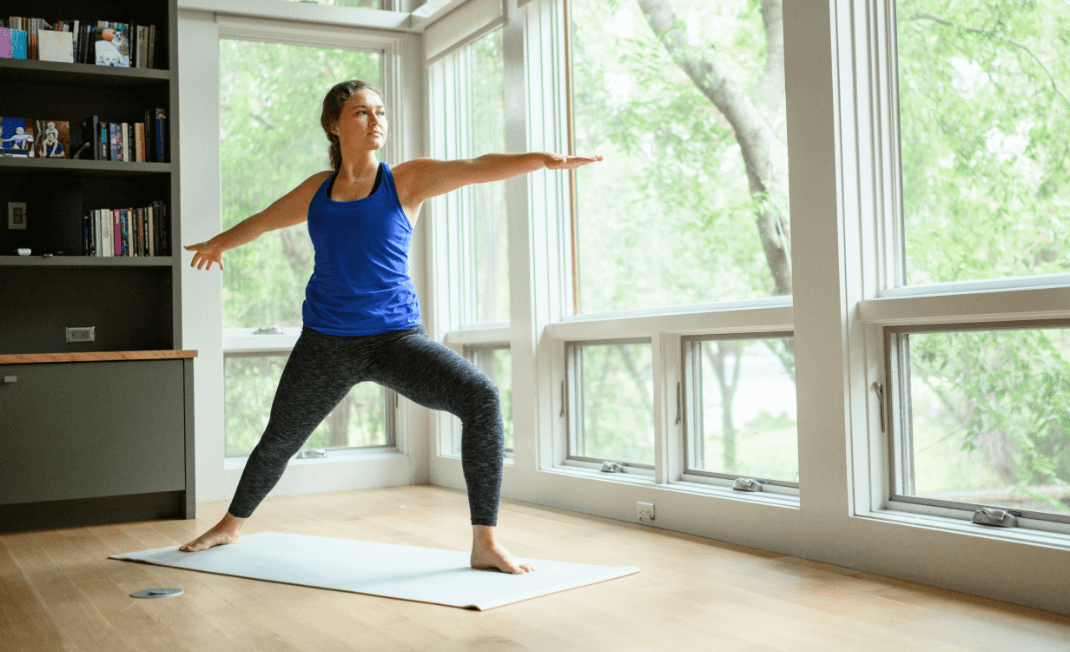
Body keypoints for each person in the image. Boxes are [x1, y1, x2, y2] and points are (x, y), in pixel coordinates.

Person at [181, 79, 603, 574]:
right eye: (361, 112)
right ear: (334, 125)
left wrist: (539, 161)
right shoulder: (317, 190)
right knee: (279, 439)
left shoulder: (404, 181)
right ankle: (230, 526)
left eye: (379, 111)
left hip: (396, 339)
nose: (375, 120)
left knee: (481, 398)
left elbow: (476, 167)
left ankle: (484, 542)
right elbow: (264, 220)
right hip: (326, 342)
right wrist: (217, 244)